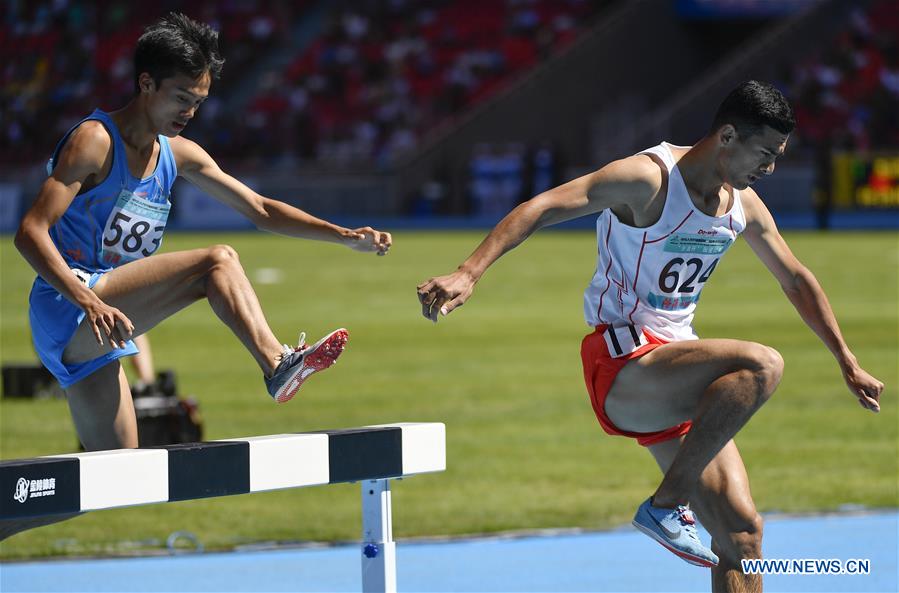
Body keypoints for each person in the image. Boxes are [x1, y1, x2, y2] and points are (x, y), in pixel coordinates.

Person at [417, 81, 883, 592]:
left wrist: (846, 358)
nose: (770, 168)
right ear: (727, 135)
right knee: (761, 364)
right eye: (765, 154)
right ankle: (667, 504)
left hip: (677, 372)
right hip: (622, 365)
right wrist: (469, 271)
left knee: (742, 538)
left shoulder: (742, 205)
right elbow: (542, 206)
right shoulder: (648, 179)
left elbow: (795, 279)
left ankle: (672, 504)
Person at [13, 12, 391, 454]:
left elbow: (261, 209)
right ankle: (277, 363)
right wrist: (89, 300)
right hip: (70, 304)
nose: (189, 112)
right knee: (218, 261)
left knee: (115, 476)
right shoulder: (95, 141)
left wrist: (341, 234)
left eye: (199, 101)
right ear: (146, 83)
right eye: (181, 97)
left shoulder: (179, 154)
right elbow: (29, 232)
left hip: (104, 321)